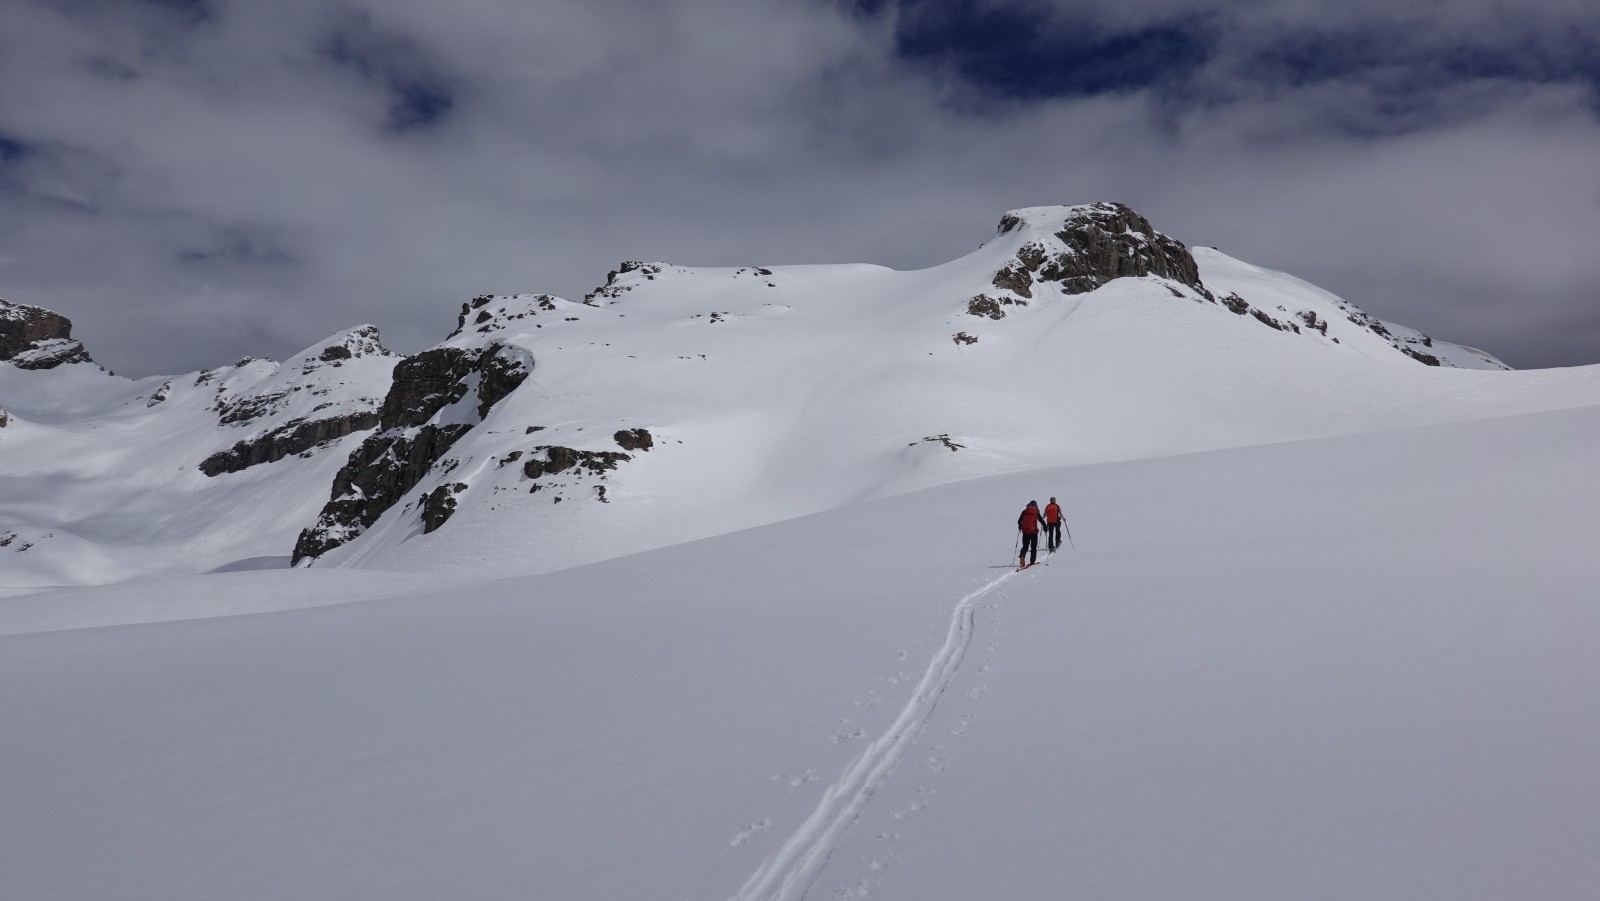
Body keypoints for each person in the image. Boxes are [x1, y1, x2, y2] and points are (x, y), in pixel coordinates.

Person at [1016, 500, 1043, 568]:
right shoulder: (1036, 511)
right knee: (1033, 547)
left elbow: (1019, 521)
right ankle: (1032, 561)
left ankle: (1022, 555)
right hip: (1034, 532)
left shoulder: (1025, 511)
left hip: (1025, 531)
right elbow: (1041, 520)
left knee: (1025, 546)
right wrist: (1045, 527)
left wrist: (1020, 526)